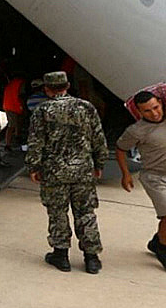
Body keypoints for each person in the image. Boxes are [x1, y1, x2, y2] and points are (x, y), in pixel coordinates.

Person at [25, 71, 108, 274]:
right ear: (67, 85)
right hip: (83, 171)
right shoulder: (86, 107)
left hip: (54, 172)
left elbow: (36, 142)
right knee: (86, 213)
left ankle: (61, 256)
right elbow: (98, 138)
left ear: (47, 89)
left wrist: (33, 167)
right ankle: (91, 258)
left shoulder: (42, 110)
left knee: (57, 212)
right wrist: (99, 163)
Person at [115, 91, 166, 275]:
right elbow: (120, 149)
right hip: (155, 178)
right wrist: (125, 174)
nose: (154, 113)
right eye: (147, 111)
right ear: (139, 112)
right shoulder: (136, 130)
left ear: (161, 103)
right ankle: (165, 251)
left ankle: (157, 242)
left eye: (156, 107)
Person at [3, 76, 27, 150]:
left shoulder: (11, 84)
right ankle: (8, 144)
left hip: (9, 105)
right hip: (13, 106)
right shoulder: (21, 83)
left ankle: (16, 137)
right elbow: (21, 95)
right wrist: (23, 107)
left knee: (15, 123)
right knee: (12, 125)